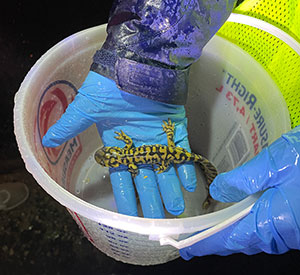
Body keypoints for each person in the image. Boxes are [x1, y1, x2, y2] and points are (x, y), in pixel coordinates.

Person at [42, 0, 300, 256]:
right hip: (224, 36)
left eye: (107, 157)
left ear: (115, 159)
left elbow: (134, 159)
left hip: (254, 72)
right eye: (106, 157)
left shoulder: (128, 157)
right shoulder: (127, 155)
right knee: (167, 163)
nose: (107, 157)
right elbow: (133, 155)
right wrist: (147, 51)